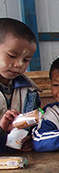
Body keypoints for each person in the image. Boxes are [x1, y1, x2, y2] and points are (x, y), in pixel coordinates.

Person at [0, 18, 40, 152]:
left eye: (26, 59)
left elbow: (33, 127)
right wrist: (2, 131)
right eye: (11, 56)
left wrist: (29, 139)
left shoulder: (30, 92)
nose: (19, 64)